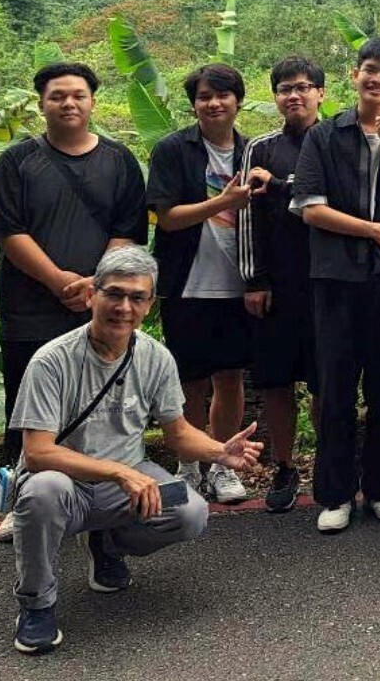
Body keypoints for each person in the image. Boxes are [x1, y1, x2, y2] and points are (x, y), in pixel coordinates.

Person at [7, 245, 263, 655]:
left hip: (124, 483)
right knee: (42, 492)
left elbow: (178, 433)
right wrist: (119, 473)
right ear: (92, 293)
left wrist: (219, 451)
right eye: (114, 293)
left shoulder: (156, 358)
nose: (124, 307)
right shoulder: (51, 361)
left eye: (137, 297)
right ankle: (36, 603)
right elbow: (38, 453)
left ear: (148, 306)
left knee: (190, 510)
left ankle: (105, 545)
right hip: (67, 483)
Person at [0, 62, 148, 540]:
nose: (69, 103)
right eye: (58, 96)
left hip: (103, 307)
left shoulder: (119, 161)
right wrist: (58, 280)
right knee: (25, 401)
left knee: (101, 401)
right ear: (42, 103)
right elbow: (8, 231)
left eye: (78, 95)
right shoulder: (17, 162)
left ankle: (99, 497)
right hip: (29, 304)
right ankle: (20, 497)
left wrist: (97, 285)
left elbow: (128, 231)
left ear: (93, 101)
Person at [292, 36, 380, 533]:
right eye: (369, 69)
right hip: (336, 277)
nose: (377, 79)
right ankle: (334, 493)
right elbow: (312, 209)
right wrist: (373, 231)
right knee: (335, 387)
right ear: (355, 75)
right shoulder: (324, 136)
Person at [148, 63, 261, 506]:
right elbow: (168, 218)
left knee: (230, 378)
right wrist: (223, 201)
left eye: (222, 95)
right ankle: (190, 467)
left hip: (239, 284)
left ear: (238, 101)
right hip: (186, 283)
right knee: (189, 383)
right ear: (194, 104)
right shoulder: (173, 150)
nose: (213, 103)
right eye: (204, 97)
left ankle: (223, 465)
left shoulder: (254, 152)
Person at [238, 56, 325, 512]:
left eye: (304, 87)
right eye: (285, 88)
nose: (295, 95)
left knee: (326, 381)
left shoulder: (336, 139)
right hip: (277, 282)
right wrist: (254, 279)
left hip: (328, 283)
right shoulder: (261, 148)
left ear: (321, 93)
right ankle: (285, 465)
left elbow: (330, 199)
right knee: (276, 382)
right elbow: (247, 214)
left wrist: (278, 185)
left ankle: (330, 461)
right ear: (275, 97)